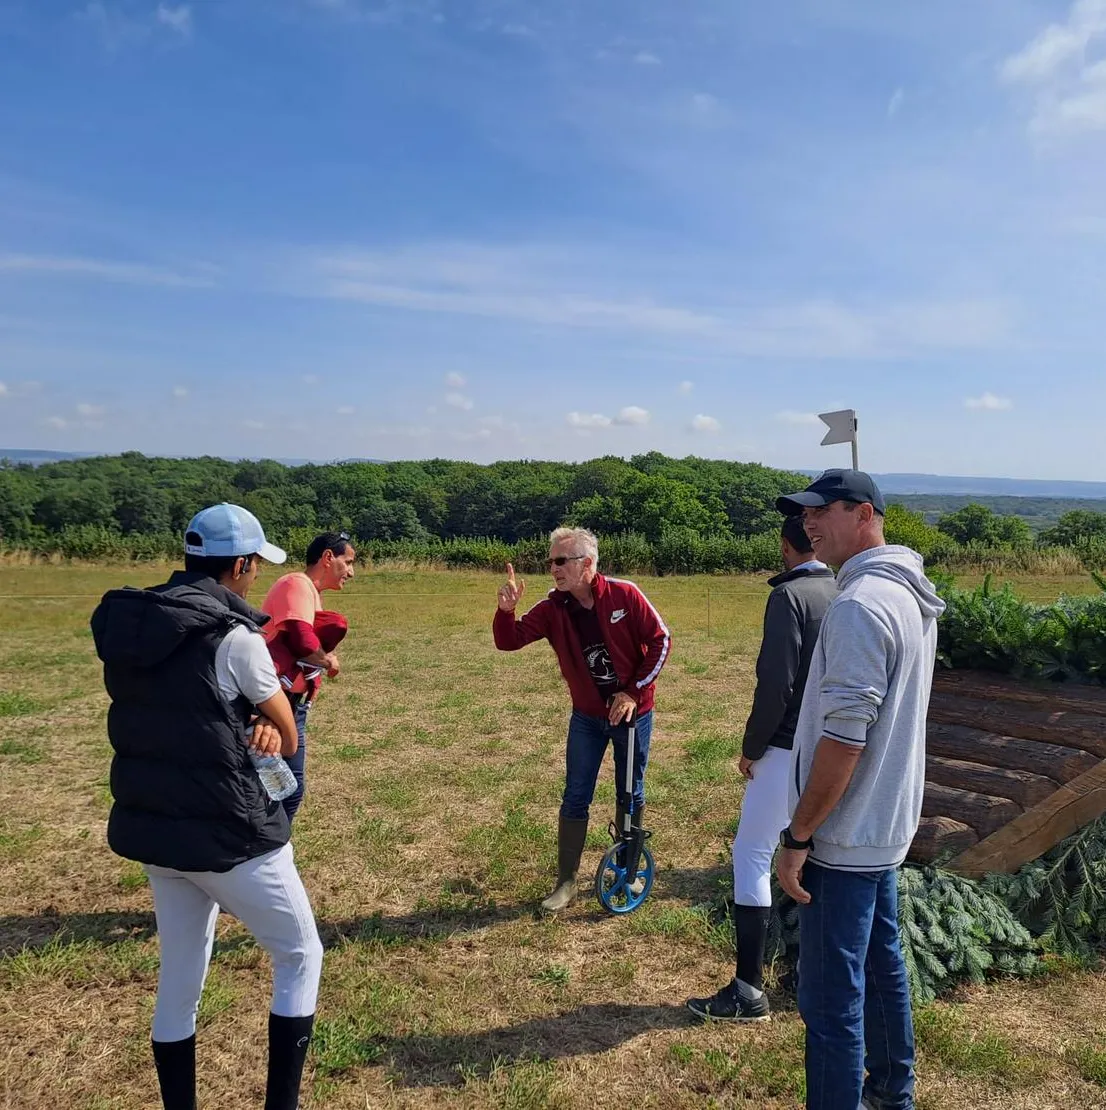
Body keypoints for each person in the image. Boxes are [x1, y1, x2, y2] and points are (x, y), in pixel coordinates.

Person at [90, 503, 324, 1110]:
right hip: (229, 832)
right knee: (301, 953)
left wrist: (242, 720)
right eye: (253, 566)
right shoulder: (235, 639)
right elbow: (287, 732)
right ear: (241, 564)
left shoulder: (133, 630)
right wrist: (263, 723)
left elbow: (184, 710)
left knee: (181, 976)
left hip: (159, 836)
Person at [773, 470, 945, 1110]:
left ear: (864, 513)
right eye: (805, 514)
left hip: (845, 836)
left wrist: (798, 836)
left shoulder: (860, 605)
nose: (809, 524)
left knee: (829, 999)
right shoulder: (908, 592)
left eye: (822, 511)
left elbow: (845, 740)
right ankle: (892, 1095)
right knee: (882, 967)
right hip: (887, 824)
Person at [687, 513, 836, 1022]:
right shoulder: (840, 588)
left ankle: (748, 988)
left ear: (784, 547)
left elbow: (776, 684)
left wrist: (752, 746)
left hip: (785, 748)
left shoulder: (789, 597)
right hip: (831, 747)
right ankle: (807, 971)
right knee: (812, 851)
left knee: (753, 851)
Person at [493, 526, 671, 913]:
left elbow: (662, 640)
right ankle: (567, 882)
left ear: (587, 563)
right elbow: (510, 640)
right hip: (587, 718)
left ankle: (628, 867)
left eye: (561, 561)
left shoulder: (625, 594)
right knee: (575, 795)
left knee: (631, 790)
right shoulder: (553, 607)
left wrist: (632, 693)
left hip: (631, 715)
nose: (553, 569)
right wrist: (506, 612)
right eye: (550, 561)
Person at [260, 530, 356, 822]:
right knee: (284, 787)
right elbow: (301, 641)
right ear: (328, 558)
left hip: (290, 702)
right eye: (348, 562)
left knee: (286, 786)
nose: (351, 572)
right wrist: (329, 661)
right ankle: (267, 847)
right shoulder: (296, 583)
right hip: (274, 704)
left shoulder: (309, 592)